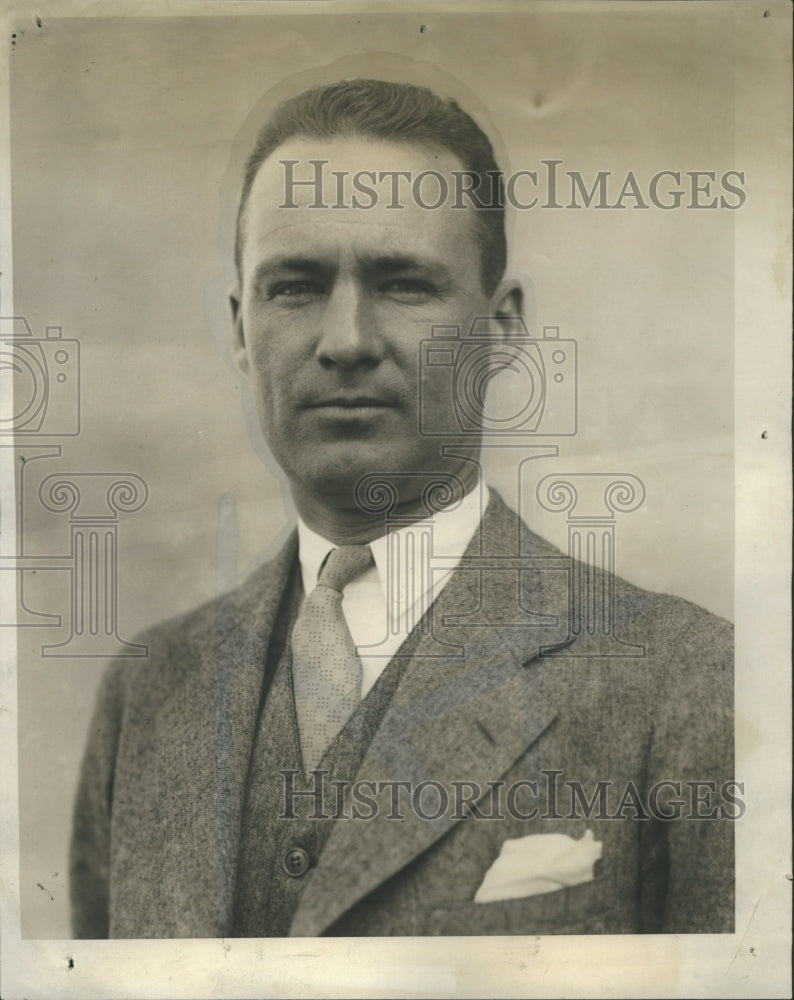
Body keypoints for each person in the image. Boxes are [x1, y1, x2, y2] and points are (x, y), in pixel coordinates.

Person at [70, 78, 735, 938]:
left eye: (404, 284)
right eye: (296, 286)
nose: (346, 340)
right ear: (240, 329)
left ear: (502, 328)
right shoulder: (147, 693)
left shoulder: (685, 682)